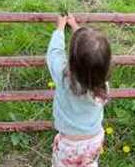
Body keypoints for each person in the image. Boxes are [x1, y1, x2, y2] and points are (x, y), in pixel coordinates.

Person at [46, 14, 111, 167]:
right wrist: (76, 27)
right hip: (94, 141)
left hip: (70, 145)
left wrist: (60, 28)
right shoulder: (102, 86)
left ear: (72, 60)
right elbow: (90, 52)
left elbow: (54, 54)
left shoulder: (64, 79)